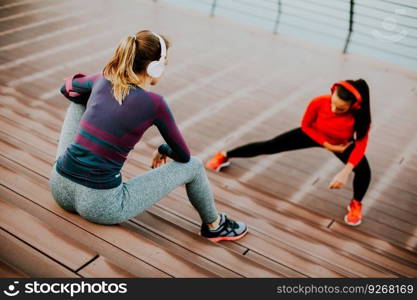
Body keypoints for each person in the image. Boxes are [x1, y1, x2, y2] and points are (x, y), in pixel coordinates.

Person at [49, 30, 247, 242]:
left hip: (60, 187)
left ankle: (74, 159)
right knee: (195, 165)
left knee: (78, 99)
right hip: (101, 205)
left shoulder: (103, 78)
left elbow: (67, 89)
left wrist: (98, 95)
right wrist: (163, 149)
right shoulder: (155, 104)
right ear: (155, 67)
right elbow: (183, 156)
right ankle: (215, 225)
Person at [206, 80, 372, 226]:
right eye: (333, 103)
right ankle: (225, 155)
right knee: (270, 145)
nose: (334, 109)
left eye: (341, 108)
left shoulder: (361, 118)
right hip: (314, 134)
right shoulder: (319, 102)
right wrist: (327, 144)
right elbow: (306, 126)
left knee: (364, 170)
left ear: (354, 106)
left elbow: (360, 145)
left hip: (341, 144)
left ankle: (356, 203)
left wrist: (345, 172)